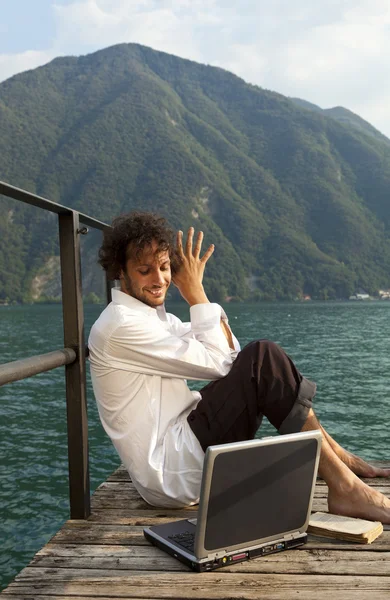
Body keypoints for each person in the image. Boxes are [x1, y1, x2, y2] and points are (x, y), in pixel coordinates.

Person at [88, 211, 390, 522]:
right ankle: (344, 485)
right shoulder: (122, 327)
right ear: (120, 273)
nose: (160, 279)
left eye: (165, 267)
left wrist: (198, 300)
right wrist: (196, 293)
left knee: (261, 361)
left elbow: (231, 354)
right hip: (174, 470)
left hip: (182, 444)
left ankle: (337, 462)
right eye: (144, 270)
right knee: (263, 358)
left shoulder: (153, 319)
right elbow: (223, 363)